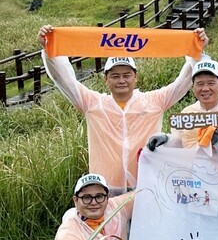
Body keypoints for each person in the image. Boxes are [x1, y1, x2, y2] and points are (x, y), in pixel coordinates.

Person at [38, 25, 208, 189]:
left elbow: (183, 83)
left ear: (135, 77)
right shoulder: (93, 103)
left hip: (146, 185)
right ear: (106, 79)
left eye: (127, 75)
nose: (121, 80)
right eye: (115, 76)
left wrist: (197, 52)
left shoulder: (154, 101)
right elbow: (63, 79)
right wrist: (49, 50)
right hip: (105, 190)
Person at [144, 58, 218, 152]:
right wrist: (166, 140)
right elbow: (181, 144)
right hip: (192, 173)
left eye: (211, 83)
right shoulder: (187, 113)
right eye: (200, 84)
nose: (205, 88)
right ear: (193, 87)